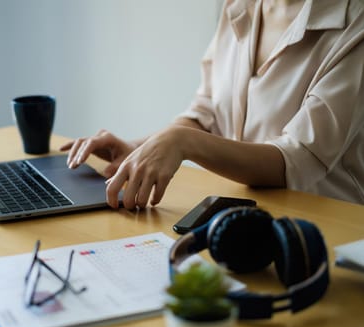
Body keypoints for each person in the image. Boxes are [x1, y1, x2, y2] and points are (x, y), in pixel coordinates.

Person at [60, 0, 364, 210]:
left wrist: (181, 141)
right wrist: (142, 149)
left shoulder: (356, 26)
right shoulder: (239, 5)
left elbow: (300, 160)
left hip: (326, 233)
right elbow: (207, 112)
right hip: (242, 218)